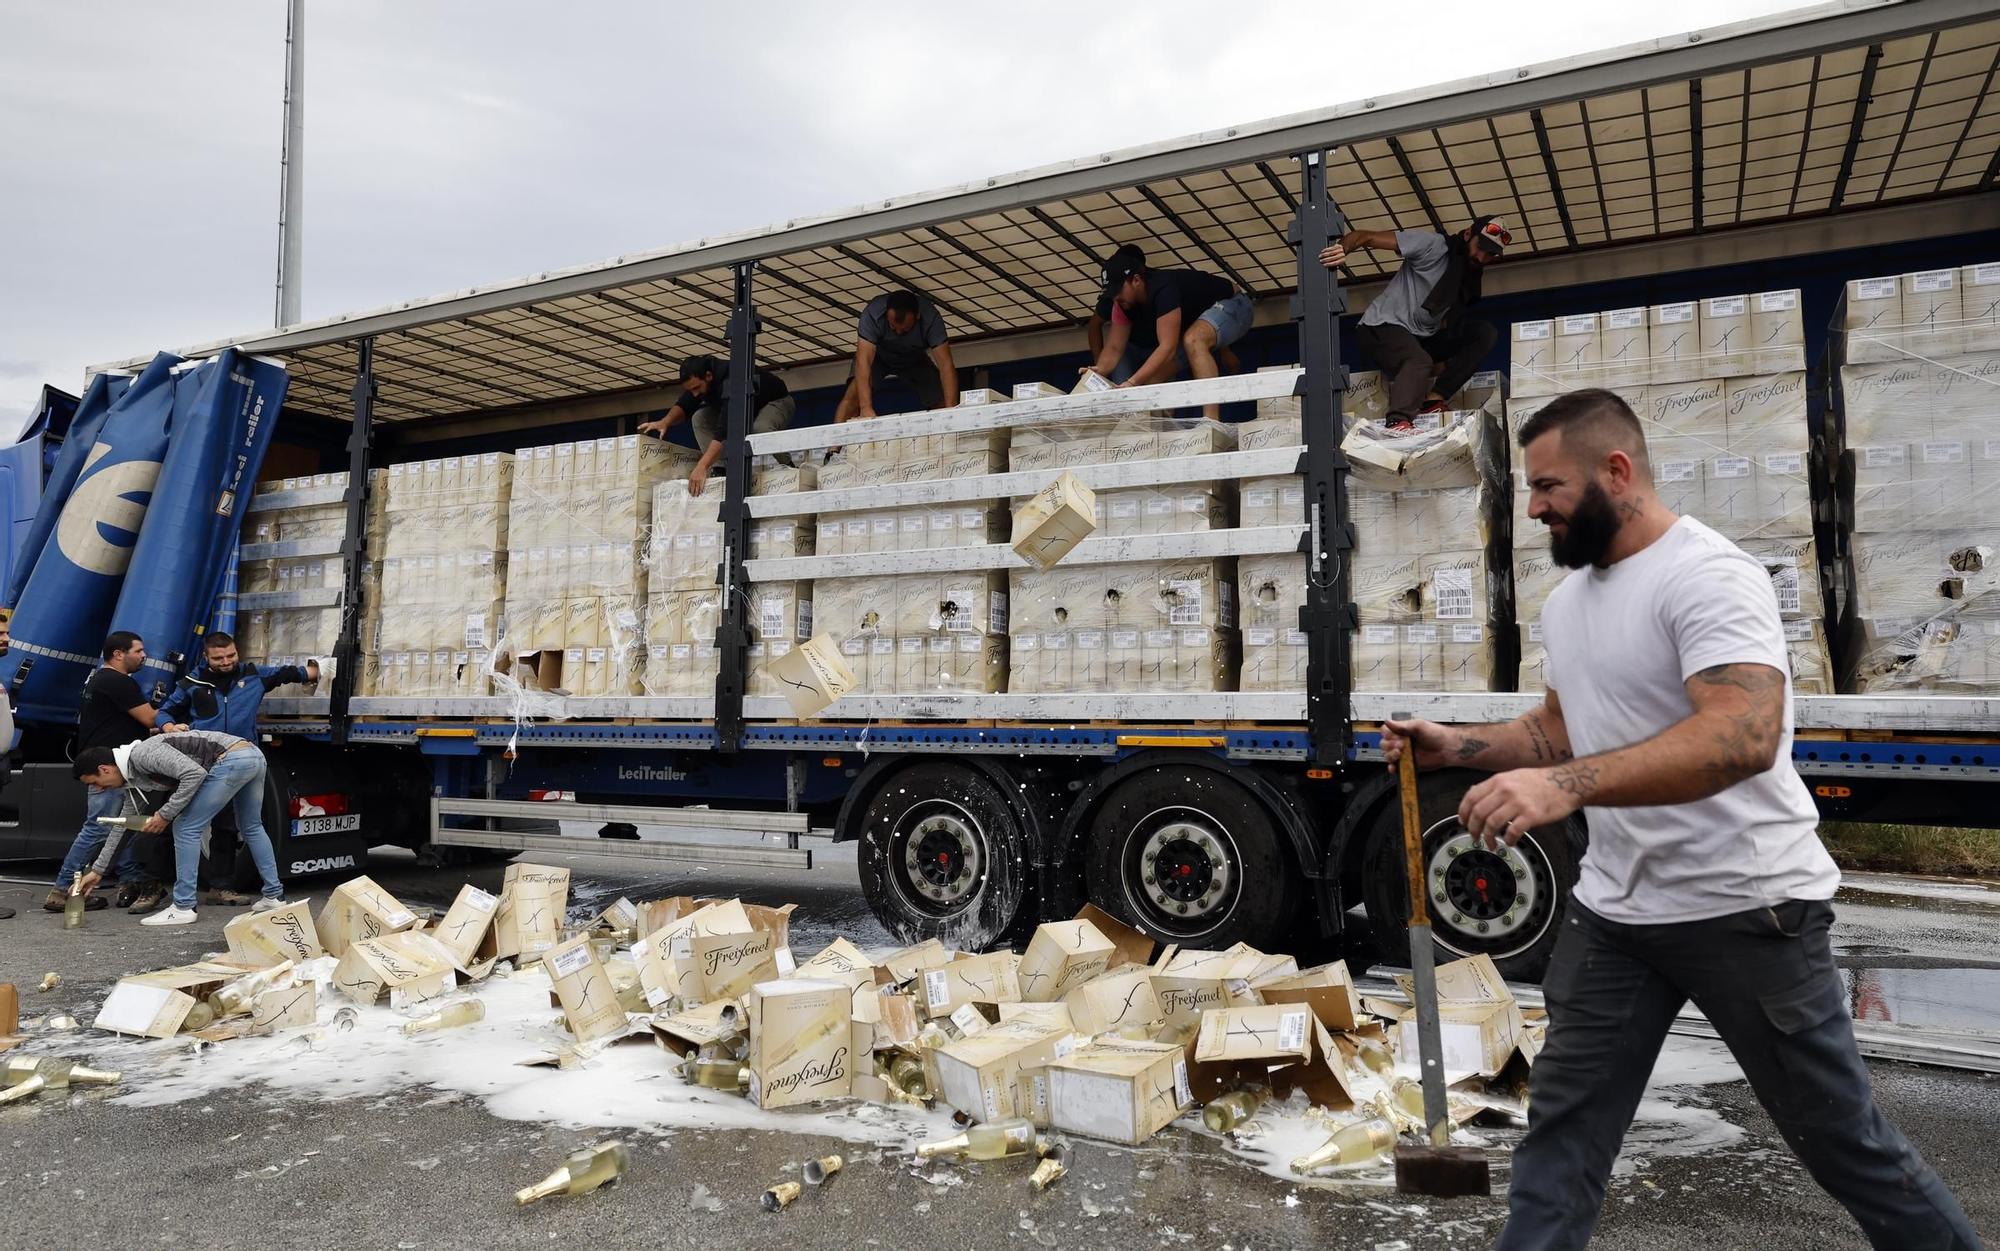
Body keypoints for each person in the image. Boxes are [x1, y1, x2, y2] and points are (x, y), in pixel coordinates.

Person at [1383, 389, 1982, 1251]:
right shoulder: (1571, 602)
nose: (1535, 506)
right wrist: (1458, 745)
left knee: (1846, 1146)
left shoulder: (1708, 574)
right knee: (1561, 1135)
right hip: (1621, 915)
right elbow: (1557, 730)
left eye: (1548, 485)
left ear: (1616, 471)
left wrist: (1569, 788)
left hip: (1747, 909)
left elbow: (1740, 733)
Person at [158, 632, 318, 905]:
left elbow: (288, 673)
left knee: (230, 825)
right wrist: (170, 727)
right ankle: (161, 884)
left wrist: (312, 672)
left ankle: (221, 887)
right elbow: (165, 711)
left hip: (243, 758)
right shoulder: (192, 683)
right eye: (219, 658)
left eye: (231, 655)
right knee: (186, 821)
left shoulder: (254, 675)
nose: (226, 662)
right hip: (205, 760)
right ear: (206, 656)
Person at [73, 729, 287, 927]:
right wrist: (98, 870)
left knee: (185, 827)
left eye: (95, 783)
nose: (99, 789)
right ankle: (274, 896)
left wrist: (165, 814)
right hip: (252, 755)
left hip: (231, 759)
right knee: (252, 826)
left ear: (105, 769)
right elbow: (125, 823)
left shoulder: (143, 754)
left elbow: (194, 774)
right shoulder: (133, 778)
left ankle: (183, 907)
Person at [1325, 215, 1506, 428]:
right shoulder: (1433, 245)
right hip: (1381, 327)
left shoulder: (1466, 276)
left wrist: (1429, 383)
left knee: (1484, 333)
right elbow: (1365, 236)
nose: (1482, 257)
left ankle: (1434, 399)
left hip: (1420, 337)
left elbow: (1444, 328)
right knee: (1420, 360)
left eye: (1490, 254)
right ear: (1468, 234)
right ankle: (1398, 422)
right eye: (1480, 247)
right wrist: (1341, 248)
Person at [46, 631, 168, 914]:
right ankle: (63, 889)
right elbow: (150, 717)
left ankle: (132, 881)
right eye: (138, 651)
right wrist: (173, 719)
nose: (144, 656)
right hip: (110, 769)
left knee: (123, 825)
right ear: (118, 654)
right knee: (99, 828)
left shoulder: (98, 679)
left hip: (110, 765)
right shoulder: (117, 681)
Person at [1085, 253, 1265, 420]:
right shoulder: (1122, 304)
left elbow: (1167, 348)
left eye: (1118, 290)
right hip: (1199, 323)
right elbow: (1114, 348)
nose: (1115, 298)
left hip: (1236, 306)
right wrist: (1099, 370)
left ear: (1137, 280)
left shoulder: (1163, 288)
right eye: (1111, 294)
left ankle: (1211, 424)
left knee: (1194, 340)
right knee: (1151, 381)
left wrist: (1131, 382)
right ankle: (1158, 440)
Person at [636, 355, 795, 497]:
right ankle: (720, 470)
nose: (695, 394)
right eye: (691, 390)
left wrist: (702, 466)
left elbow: (725, 429)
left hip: (774, 402)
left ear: (708, 376)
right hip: (746, 410)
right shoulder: (701, 381)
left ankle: (789, 468)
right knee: (699, 418)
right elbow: (685, 404)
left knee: (759, 429)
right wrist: (665, 422)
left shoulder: (732, 379)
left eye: (697, 388)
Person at [832, 289, 958, 422]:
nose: (898, 332)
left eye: (905, 330)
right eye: (893, 327)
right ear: (886, 313)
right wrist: (865, 408)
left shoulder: (931, 318)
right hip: (878, 358)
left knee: (942, 399)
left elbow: (946, 365)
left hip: (914, 358)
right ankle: (835, 442)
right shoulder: (872, 313)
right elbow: (863, 361)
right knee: (852, 396)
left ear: (918, 316)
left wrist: (950, 410)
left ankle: (947, 436)